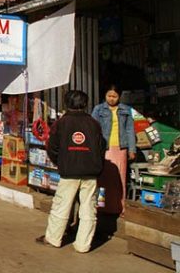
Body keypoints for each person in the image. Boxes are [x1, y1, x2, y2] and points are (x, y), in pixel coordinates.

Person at [36, 90, 106, 253]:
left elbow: (52, 147)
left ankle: (53, 239)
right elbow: (102, 147)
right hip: (91, 172)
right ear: (85, 104)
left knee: (61, 206)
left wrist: (61, 162)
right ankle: (83, 245)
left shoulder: (61, 123)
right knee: (89, 208)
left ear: (67, 104)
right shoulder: (93, 123)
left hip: (69, 172)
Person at [91, 84, 136, 215]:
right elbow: (93, 129)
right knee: (102, 178)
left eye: (114, 96)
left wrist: (132, 149)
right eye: (109, 96)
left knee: (119, 179)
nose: (111, 99)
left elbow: (130, 130)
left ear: (119, 96)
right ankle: (100, 205)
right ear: (105, 96)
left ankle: (119, 206)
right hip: (103, 148)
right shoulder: (98, 109)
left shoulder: (126, 110)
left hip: (120, 148)